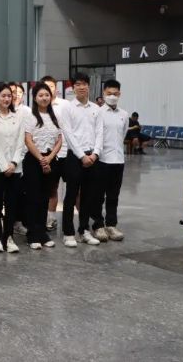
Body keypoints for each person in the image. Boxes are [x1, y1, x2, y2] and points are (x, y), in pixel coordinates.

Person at [59, 72, 103, 248]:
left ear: (88, 86)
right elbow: (68, 134)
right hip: (75, 157)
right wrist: (82, 156)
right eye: (78, 84)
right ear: (73, 87)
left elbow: (100, 133)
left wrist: (95, 154)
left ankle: (84, 230)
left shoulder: (96, 109)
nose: (81, 87)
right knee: (71, 196)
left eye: (84, 84)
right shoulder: (68, 108)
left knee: (88, 195)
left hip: (92, 157)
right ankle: (68, 233)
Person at [0, 83, 25, 253]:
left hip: (15, 168)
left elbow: (21, 142)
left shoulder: (18, 118)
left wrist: (14, 163)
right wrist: (3, 165)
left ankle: (8, 237)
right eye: (3, 96)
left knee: (12, 203)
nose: (7, 99)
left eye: (9, 96)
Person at [23, 82, 62, 250]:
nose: (44, 98)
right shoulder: (30, 116)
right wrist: (41, 159)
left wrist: (50, 158)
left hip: (51, 159)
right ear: (34, 98)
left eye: (47, 95)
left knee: (45, 197)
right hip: (34, 160)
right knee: (33, 197)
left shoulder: (55, 116)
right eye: (40, 95)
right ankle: (32, 233)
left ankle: (42, 232)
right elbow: (28, 140)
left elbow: (59, 139)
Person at [95, 79, 128, 243]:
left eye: (115, 94)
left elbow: (123, 134)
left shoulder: (124, 114)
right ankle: (98, 225)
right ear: (104, 93)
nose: (112, 96)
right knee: (98, 195)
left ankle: (111, 224)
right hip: (102, 160)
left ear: (120, 94)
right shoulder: (98, 113)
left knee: (113, 195)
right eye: (109, 93)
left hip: (118, 160)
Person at [40, 75, 67, 233]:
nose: (48, 90)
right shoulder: (37, 108)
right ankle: (50, 217)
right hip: (49, 154)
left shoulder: (65, 105)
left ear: (56, 89)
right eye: (45, 87)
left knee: (75, 190)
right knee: (52, 188)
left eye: (51, 87)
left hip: (67, 152)